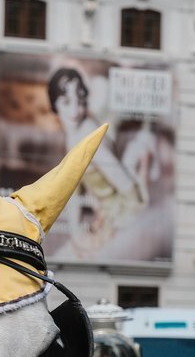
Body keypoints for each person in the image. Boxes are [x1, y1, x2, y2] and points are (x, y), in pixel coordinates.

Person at [46, 67, 149, 258]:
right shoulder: (74, 135)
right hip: (101, 220)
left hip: (117, 220)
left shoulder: (89, 137)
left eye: (80, 98)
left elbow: (130, 192)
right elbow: (74, 191)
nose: (75, 109)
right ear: (55, 105)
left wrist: (113, 226)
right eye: (67, 101)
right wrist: (76, 231)